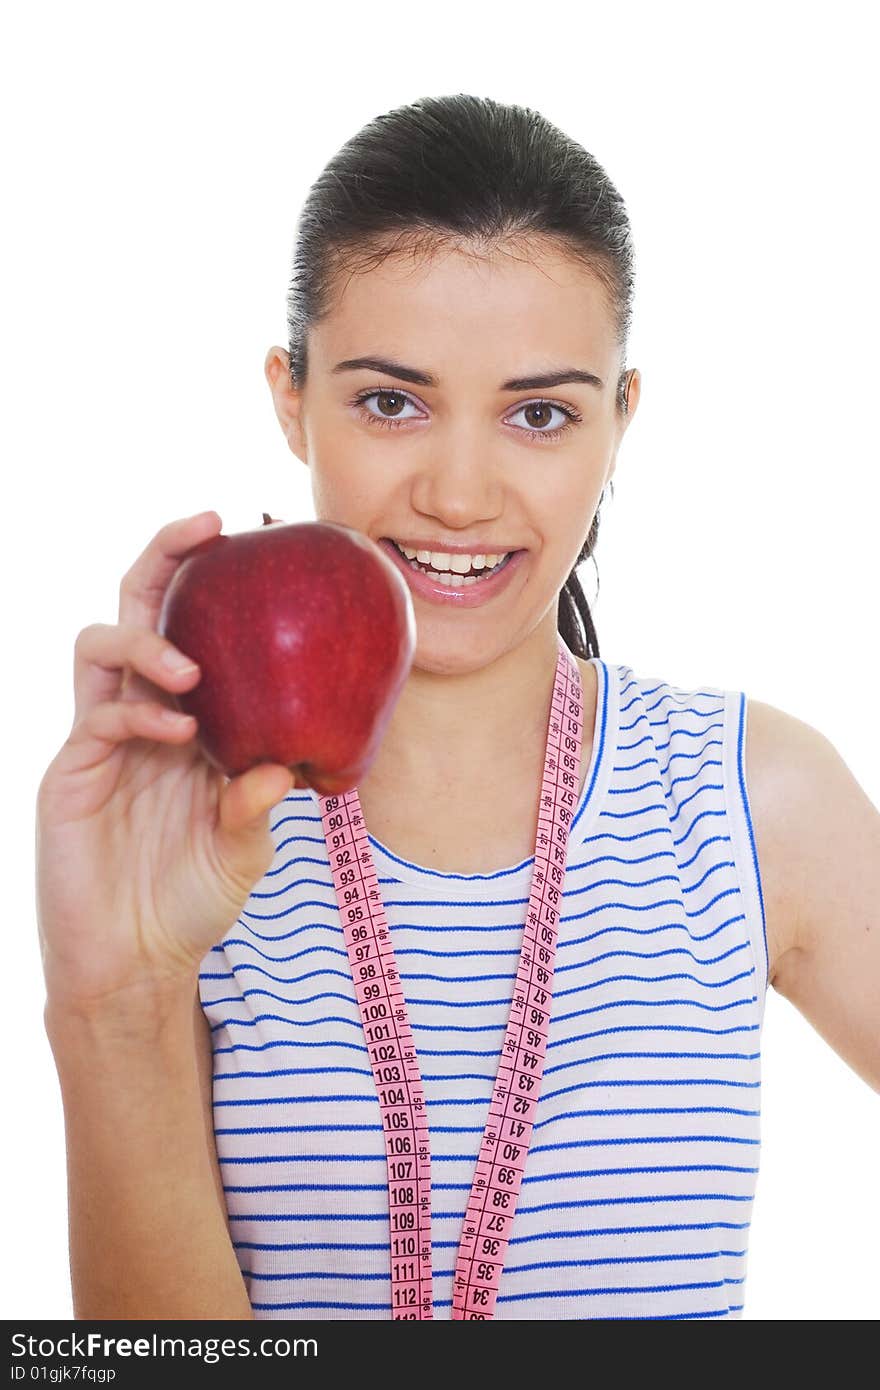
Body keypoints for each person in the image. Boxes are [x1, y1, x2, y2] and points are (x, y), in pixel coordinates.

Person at [35, 93, 880, 1322]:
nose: (459, 492)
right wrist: (114, 994)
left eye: (539, 413)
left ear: (619, 422)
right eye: (391, 402)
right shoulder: (182, 835)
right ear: (291, 395)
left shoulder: (750, 800)